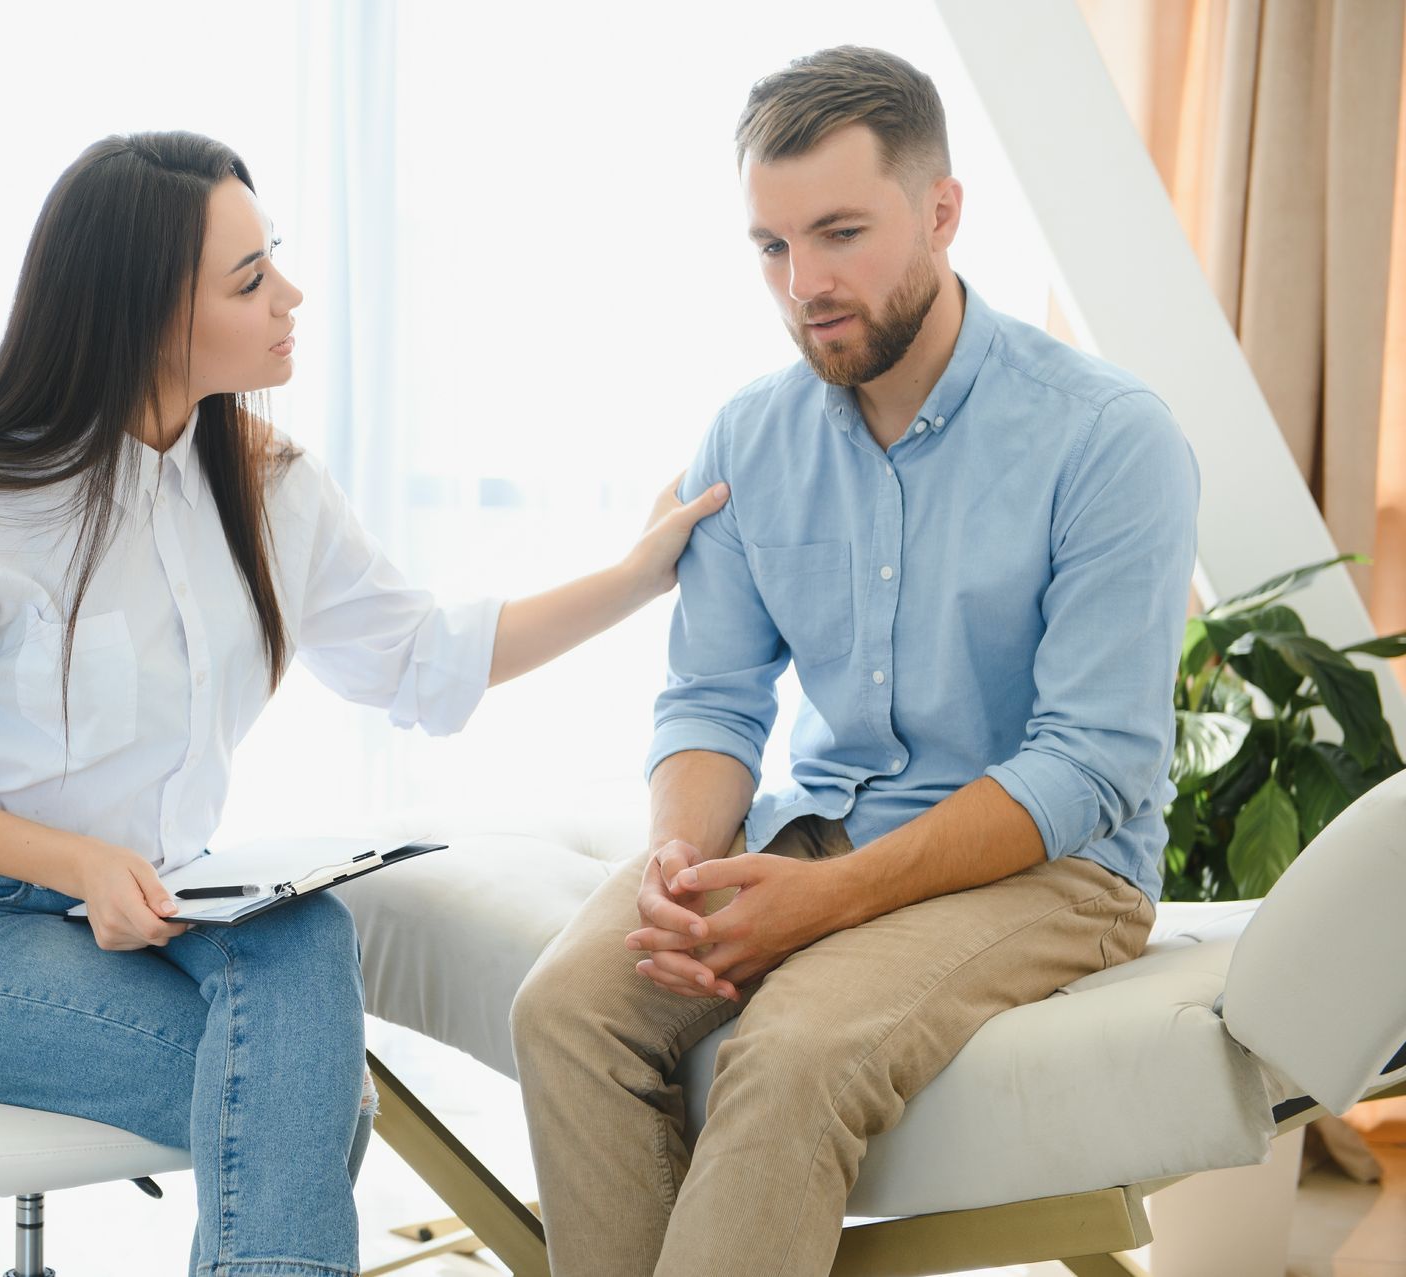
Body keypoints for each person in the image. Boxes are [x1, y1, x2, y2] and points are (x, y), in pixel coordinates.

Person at [0, 131, 727, 1277]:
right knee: (306, 1093)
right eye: (248, 281)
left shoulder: (264, 482)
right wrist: (79, 863)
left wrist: (638, 575)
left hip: (158, 907)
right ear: (146, 315)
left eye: (273, 258)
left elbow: (423, 658)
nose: (289, 296)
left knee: (304, 937)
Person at [510, 45, 1200, 1277]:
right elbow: (714, 695)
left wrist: (827, 901)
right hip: (820, 824)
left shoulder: (1108, 438)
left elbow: (1090, 764)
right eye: (772, 246)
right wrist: (679, 856)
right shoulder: (750, 434)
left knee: (794, 1050)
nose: (804, 285)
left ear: (941, 211)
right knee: (564, 1006)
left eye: (839, 234)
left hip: (1050, 870)